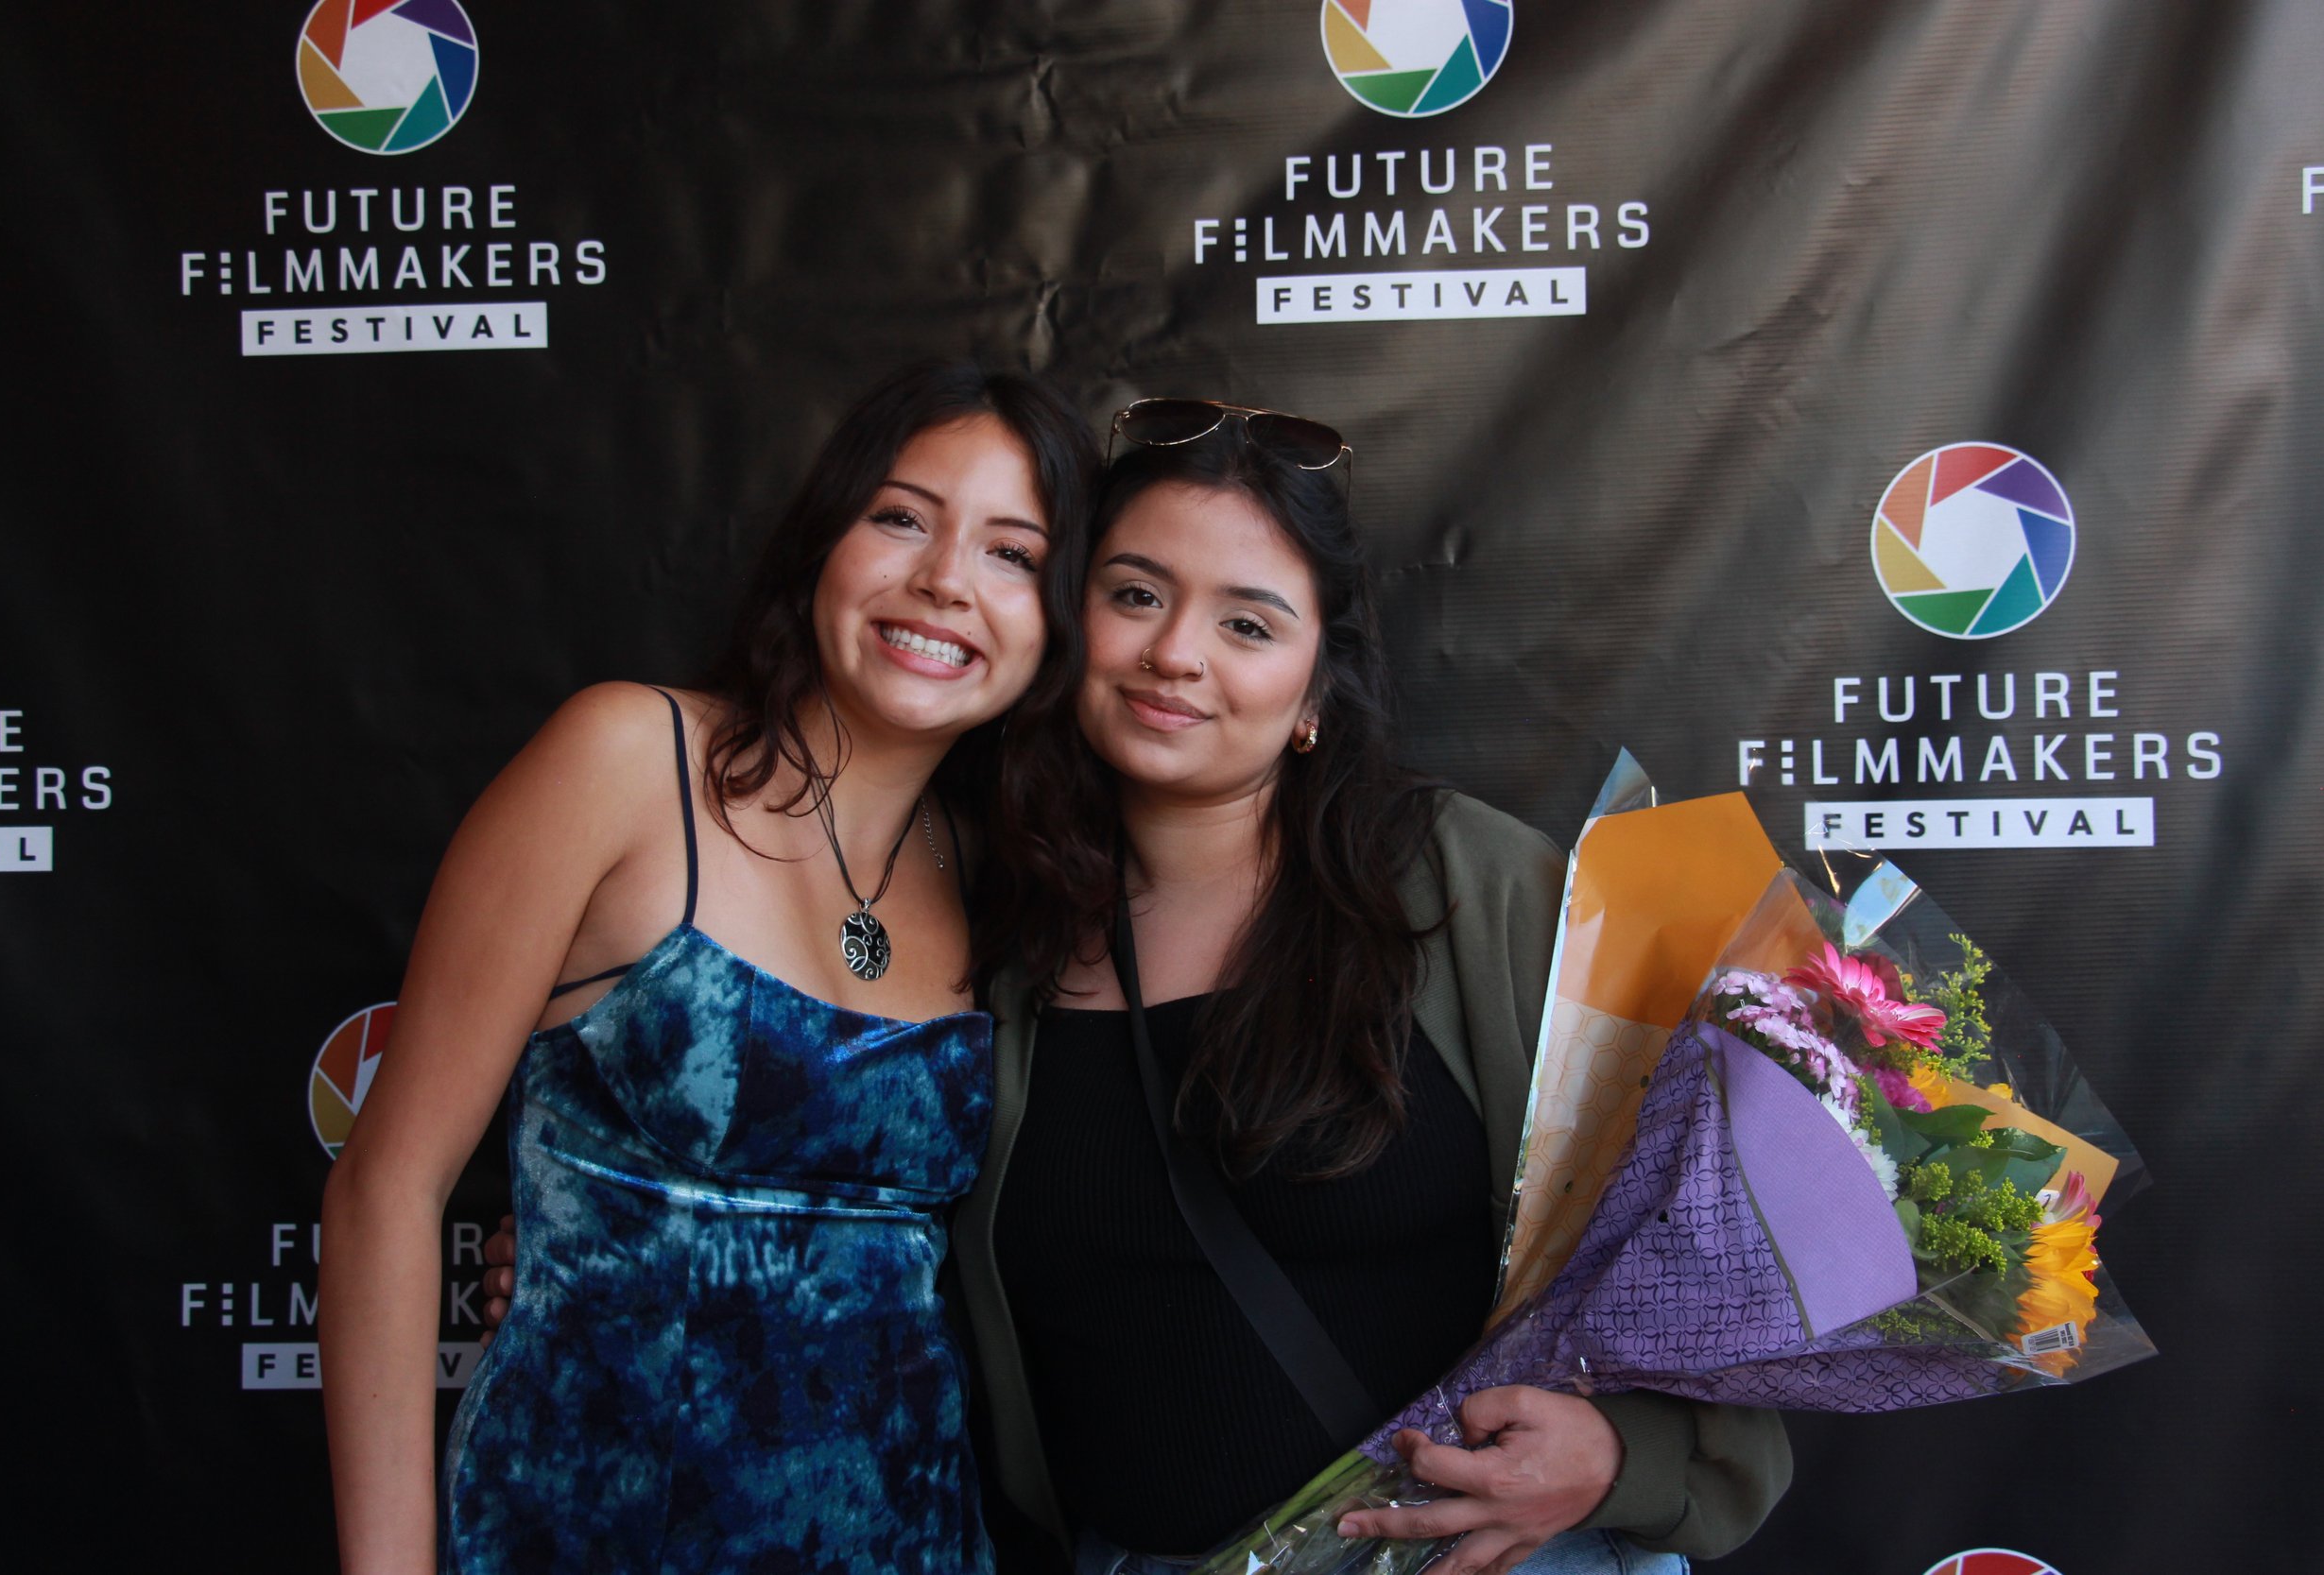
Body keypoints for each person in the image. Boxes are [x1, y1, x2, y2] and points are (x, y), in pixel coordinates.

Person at [955, 402, 1791, 1575]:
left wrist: (1624, 1455)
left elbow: (1722, 1242)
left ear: (1311, 694)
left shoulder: (1468, 888)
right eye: (1135, 593)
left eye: (1248, 622)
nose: (1175, 652)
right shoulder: (989, 929)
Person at [317, 361, 1098, 1575]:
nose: (945, 578)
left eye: (1013, 552)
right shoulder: (626, 758)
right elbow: (385, 1193)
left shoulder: (1003, 877)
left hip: (902, 1540)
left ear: (1055, 623)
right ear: (820, 542)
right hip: (584, 1528)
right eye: (900, 516)